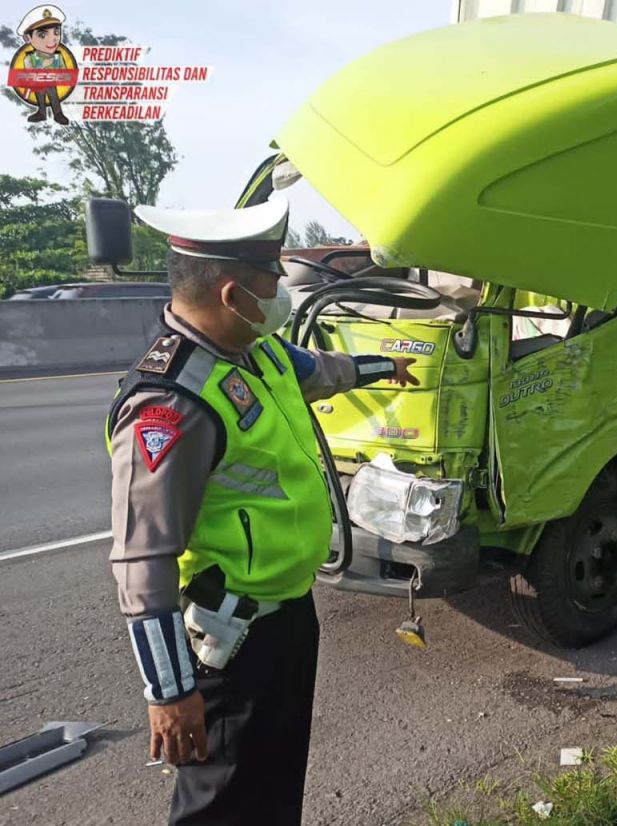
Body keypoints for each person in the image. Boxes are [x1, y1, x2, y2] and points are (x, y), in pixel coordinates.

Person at [106, 197, 418, 825]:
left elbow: (320, 370)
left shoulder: (258, 351)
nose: (282, 295)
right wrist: (169, 692)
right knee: (222, 806)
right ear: (233, 294)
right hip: (229, 642)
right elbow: (143, 560)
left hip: (288, 617)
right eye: (272, 281)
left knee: (276, 785)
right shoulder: (170, 404)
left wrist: (387, 365)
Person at [17, 5, 71, 124]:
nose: (52, 39)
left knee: (53, 94)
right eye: (42, 35)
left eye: (56, 32)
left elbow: (66, 75)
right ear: (28, 38)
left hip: (51, 83)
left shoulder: (58, 57)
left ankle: (58, 113)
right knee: (40, 93)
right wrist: (42, 67)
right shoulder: (29, 58)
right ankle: (42, 112)